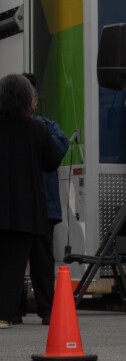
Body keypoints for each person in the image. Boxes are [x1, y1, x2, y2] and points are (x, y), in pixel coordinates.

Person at [0, 74, 64, 329]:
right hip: (26, 208)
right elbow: (52, 161)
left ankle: (7, 312)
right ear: (28, 99)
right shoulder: (38, 128)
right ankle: (17, 313)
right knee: (25, 262)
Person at [17, 73, 69, 325]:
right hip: (23, 206)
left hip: (43, 207)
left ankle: (47, 309)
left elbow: (59, 149)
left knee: (41, 260)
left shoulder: (47, 127)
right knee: (13, 259)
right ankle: (13, 308)